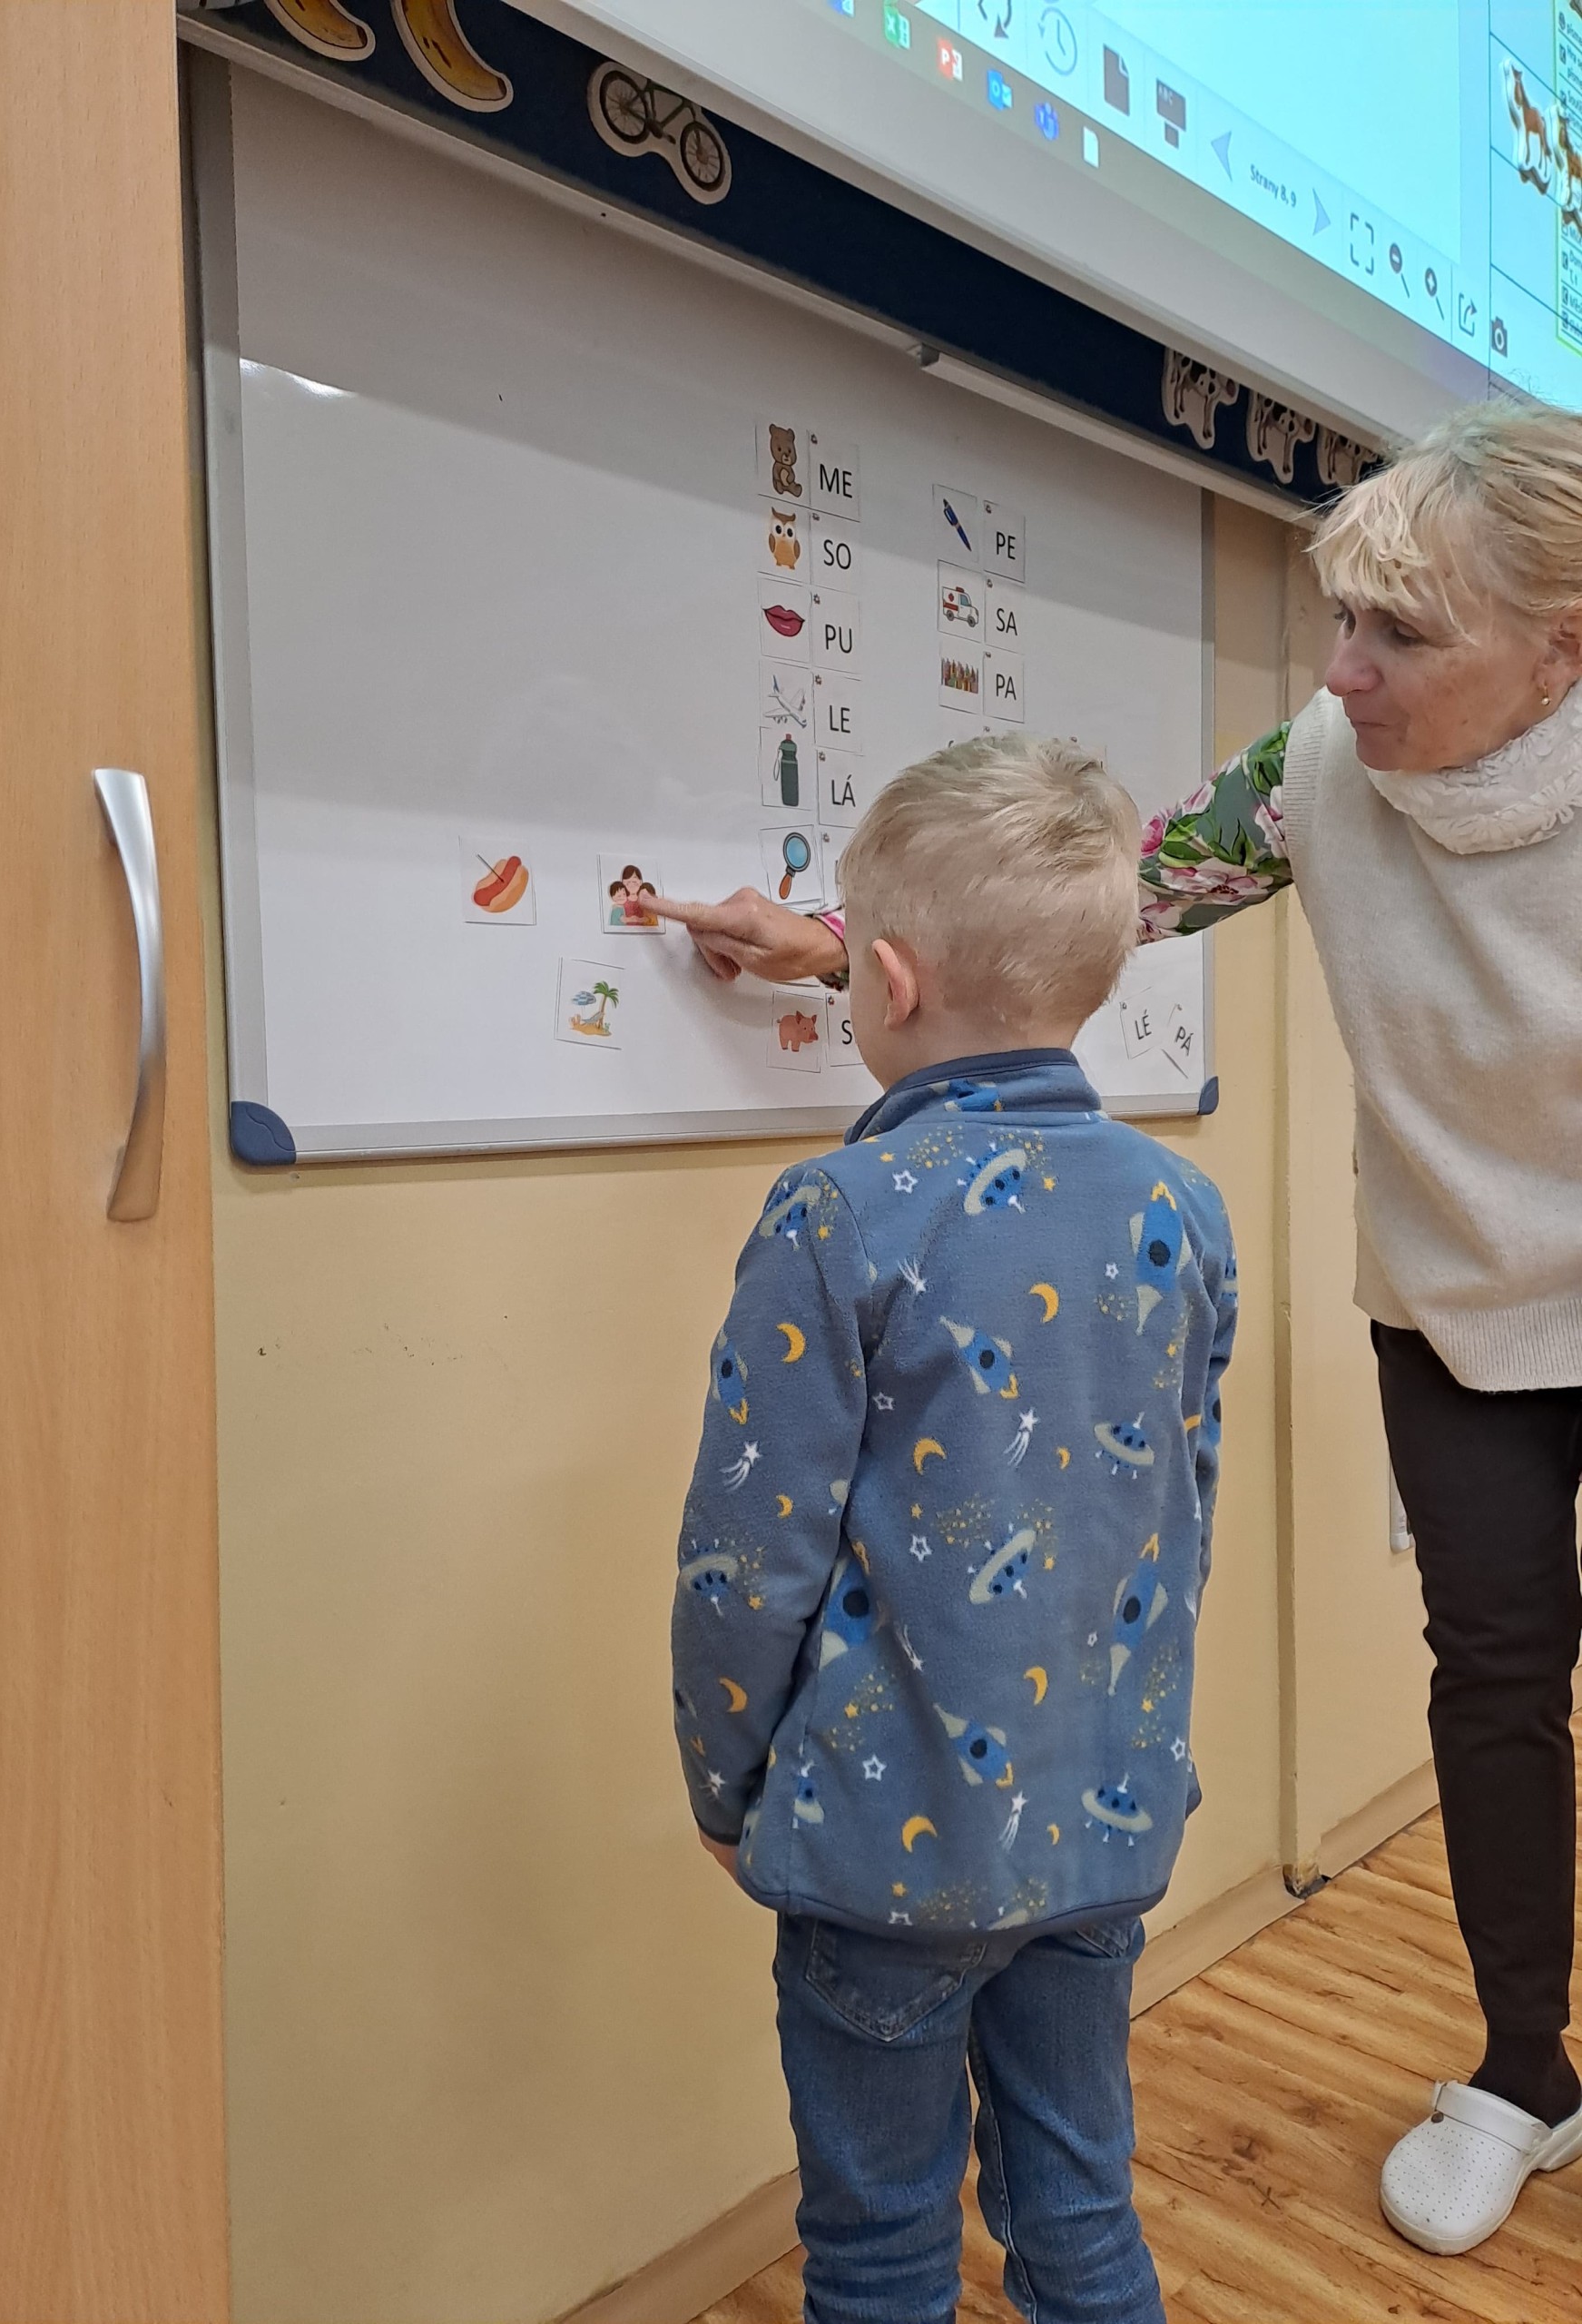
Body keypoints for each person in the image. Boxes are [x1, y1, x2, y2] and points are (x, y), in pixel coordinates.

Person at [653, 400, 1582, 2260]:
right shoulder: (1321, 772)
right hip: (1462, 1301)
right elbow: (1102, 900)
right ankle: (1522, 2071)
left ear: (1559, 651)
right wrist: (837, 945)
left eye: (1401, 635)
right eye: (1339, 620)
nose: (1343, 672)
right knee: (1494, 1675)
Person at [672, 735, 1237, 2324]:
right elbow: (1175, 1518)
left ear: (889, 979)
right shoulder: (1180, 1207)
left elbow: (747, 1560)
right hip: (1101, 1830)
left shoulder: (837, 1215)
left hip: (878, 1857)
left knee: (878, 2248)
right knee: (1080, 2208)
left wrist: (725, 1783)